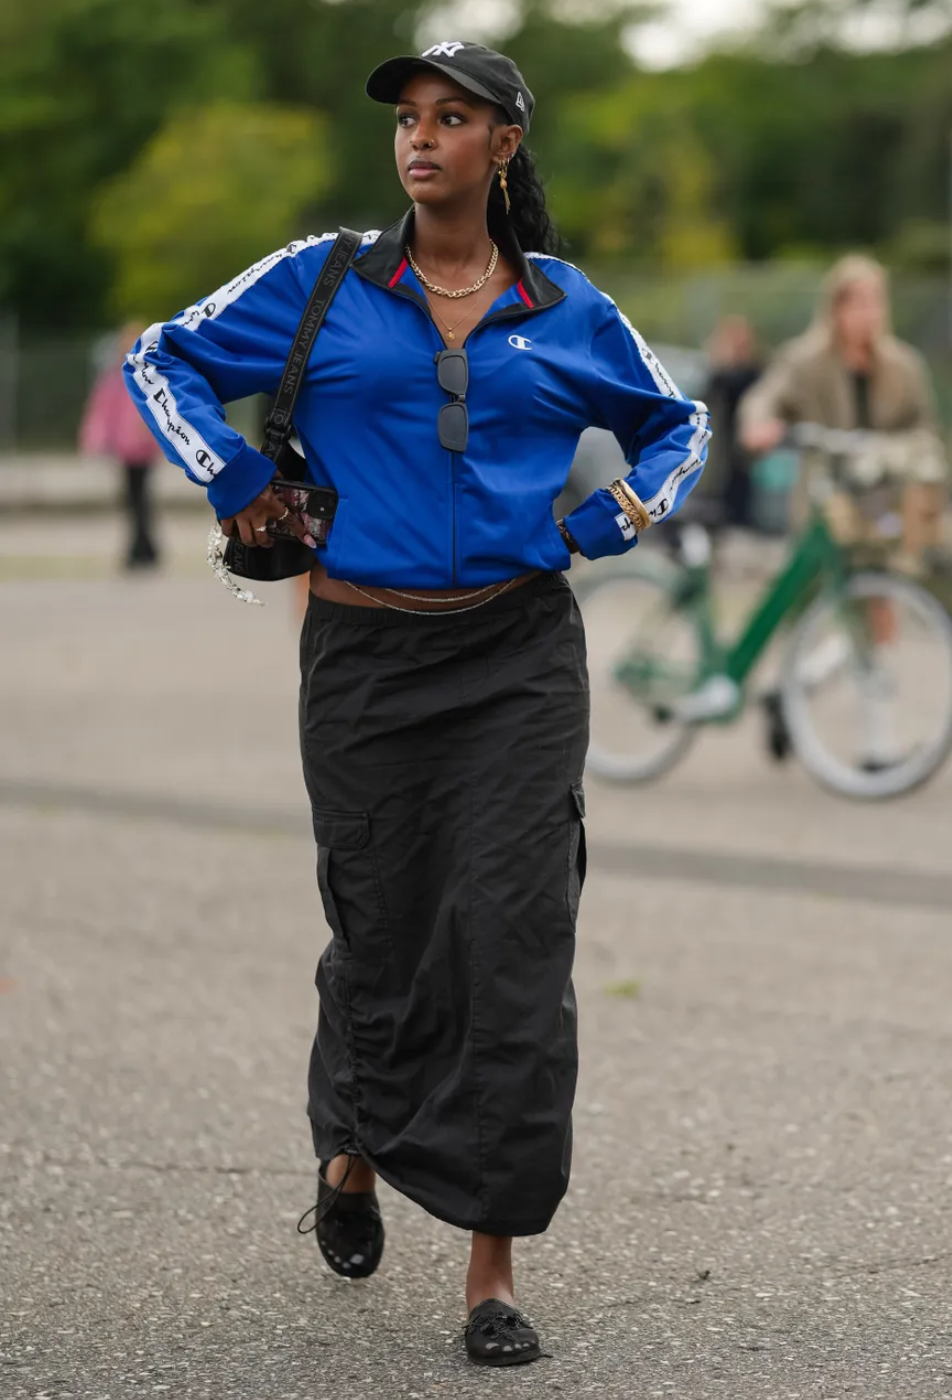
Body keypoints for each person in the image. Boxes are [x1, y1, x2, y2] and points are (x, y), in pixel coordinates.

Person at [123, 41, 708, 1366]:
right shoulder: (321, 281)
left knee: (510, 942)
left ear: (504, 144)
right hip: (365, 661)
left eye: (453, 118)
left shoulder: (566, 308)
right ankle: (352, 1149)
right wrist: (230, 478)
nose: (421, 138)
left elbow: (681, 424)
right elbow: (156, 361)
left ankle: (490, 1272)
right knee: (381, 934)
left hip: (517, 660)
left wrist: (613, 513)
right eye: (408, 119)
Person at [739, 254, 947, 565]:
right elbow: (764, 398)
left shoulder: (904, 366)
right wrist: (759, 426)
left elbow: (925, 426)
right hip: (825, 492)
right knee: (811, 585)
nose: (869, 313)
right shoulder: (805, 362)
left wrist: (895, 451)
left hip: (883, 495)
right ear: (836, 309)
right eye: (859, 303)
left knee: (883, 583)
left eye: (875, 302)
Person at [80, 322, 162, 569]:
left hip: (142, 448)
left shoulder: (145, 375)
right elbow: (104, 413)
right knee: (136, 499)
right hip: (127, 448)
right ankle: (144, 548)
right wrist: (98, 440)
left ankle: (141, 550)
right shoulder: (116, 378)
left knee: (137, 499)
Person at [702, 314, 761, 530]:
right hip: (723, 442)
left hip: (742, 441)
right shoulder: (721, 373)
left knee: (742, 488)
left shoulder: (751, 370)